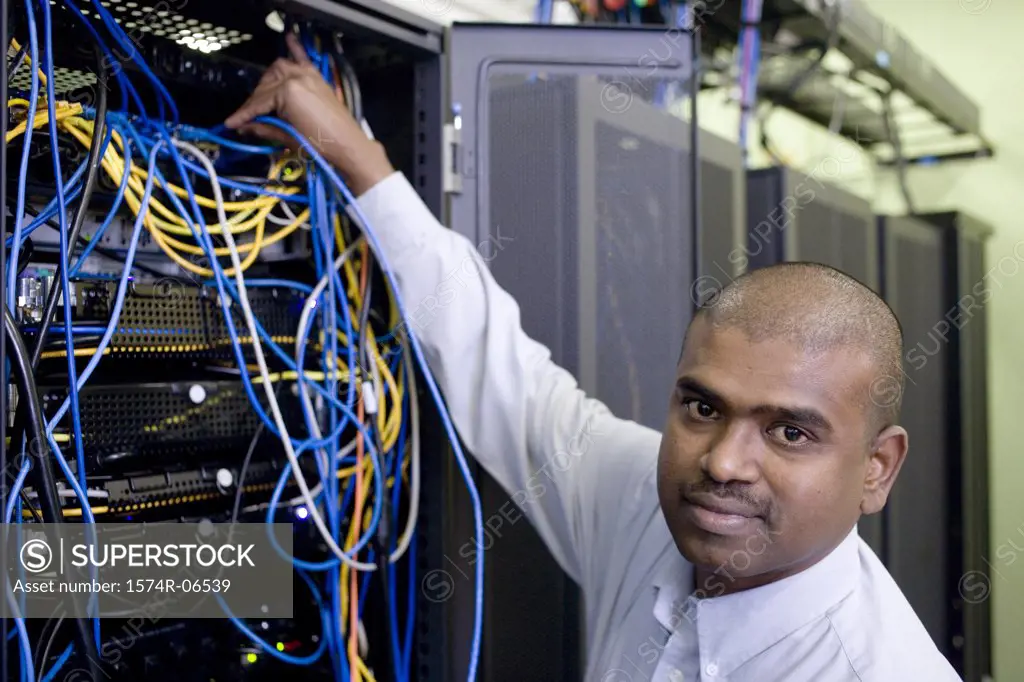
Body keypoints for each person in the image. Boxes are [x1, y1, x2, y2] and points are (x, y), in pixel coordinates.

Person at [225, 33, 963, 682]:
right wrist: (357, 158)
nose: (725, 463)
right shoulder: (648, 505)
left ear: (877, 469)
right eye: (702, 407)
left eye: (790, 432)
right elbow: (507, 378)